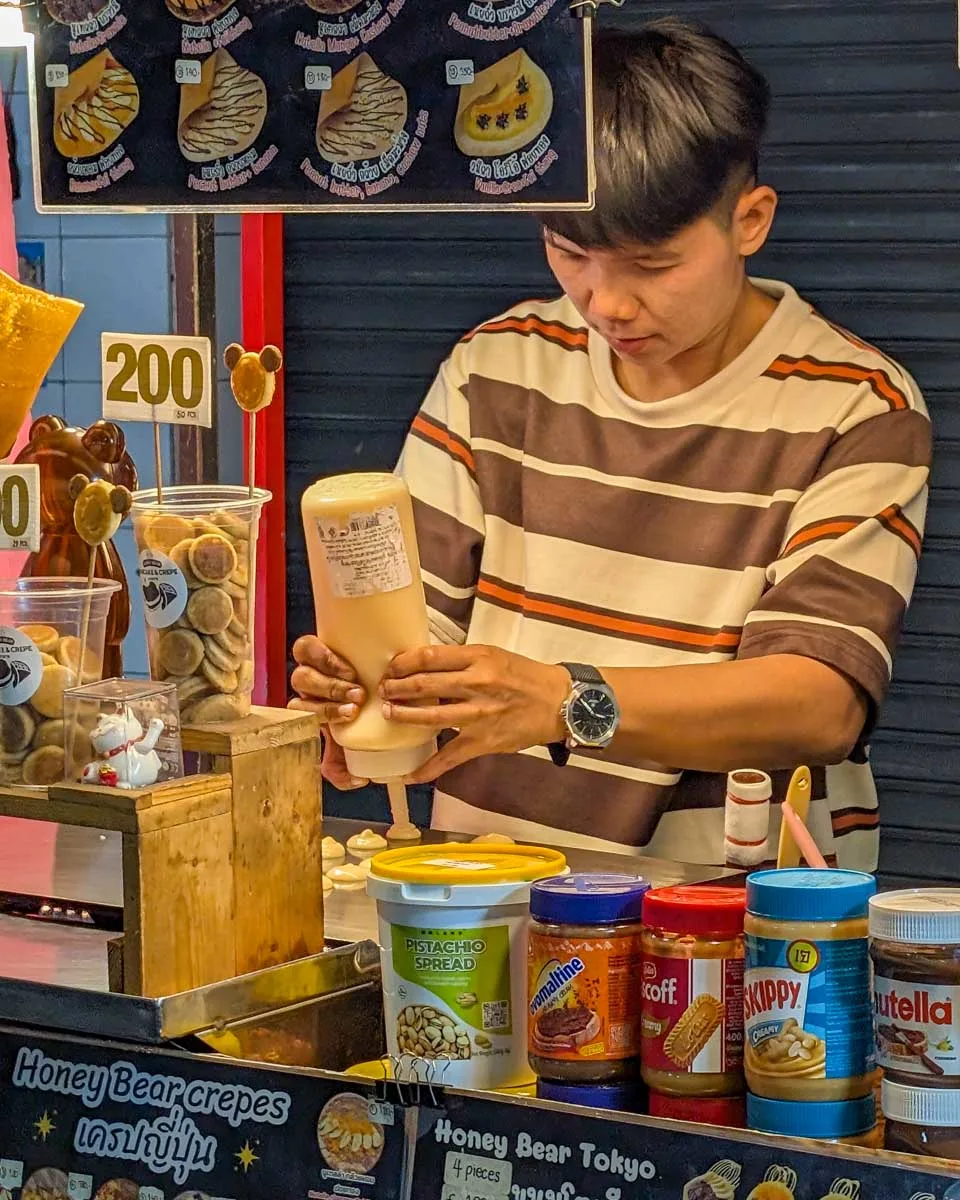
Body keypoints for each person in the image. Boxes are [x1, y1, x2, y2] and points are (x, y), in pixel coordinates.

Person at [291, 18, 931, 870]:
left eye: (652, 265)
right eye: (570, 253)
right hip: (486, 882)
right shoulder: (496, 368)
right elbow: (416, 628)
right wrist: (357, 693)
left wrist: (566, 701)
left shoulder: (856, 406)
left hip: (726, 910)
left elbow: (818, 704)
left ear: (750, 221)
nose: (606, 302)